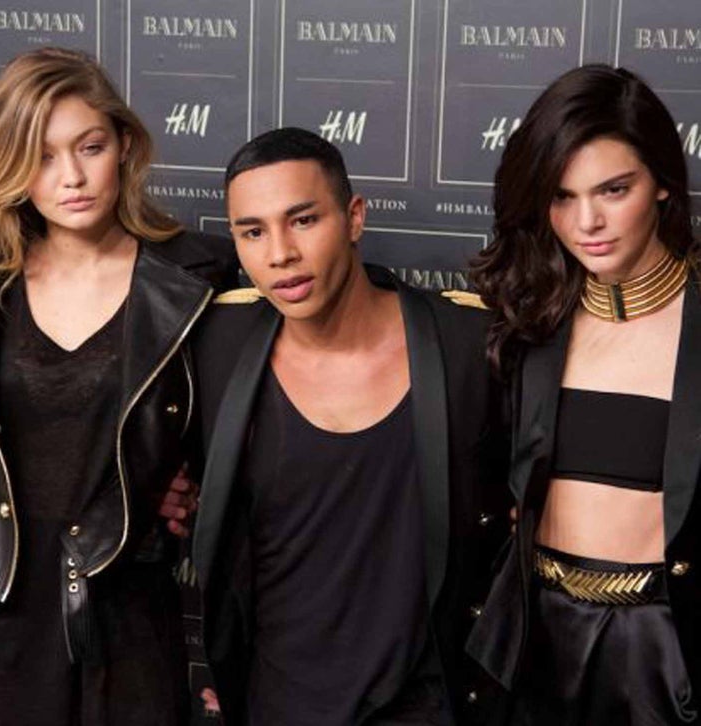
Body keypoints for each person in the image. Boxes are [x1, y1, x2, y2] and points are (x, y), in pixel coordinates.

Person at [0, 47, 237, 725]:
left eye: (90, 147)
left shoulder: (196, 281)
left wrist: (187, 482)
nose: (73, 177)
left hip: (127, 615)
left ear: (124, 146)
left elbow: (250, 437)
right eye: (42, 157)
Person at [191, 128, 510, 726]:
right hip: (277, 702)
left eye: (303, 220)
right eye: (252, 232)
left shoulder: (468, 346)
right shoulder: (215, 348)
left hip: (430, 705)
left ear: (355, 216)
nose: (280, 253)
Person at [466, 64, 700, 725]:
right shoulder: (531, 324)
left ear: (662, 183)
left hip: (662, 653)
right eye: (562, 197)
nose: (587, 221)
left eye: (613, 190)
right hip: (538, 646)